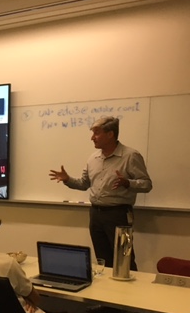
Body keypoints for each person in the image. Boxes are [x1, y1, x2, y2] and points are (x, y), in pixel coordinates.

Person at [49, 116, 152, 271]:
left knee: (124, 260)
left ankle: (131, 286)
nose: (92, 138)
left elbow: (147, 184)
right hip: (96, 214)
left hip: (118, 214)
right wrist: (67, 179)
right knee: (103, 260)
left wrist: (128, 183)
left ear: (110, 134)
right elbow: (84, 184)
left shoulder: (130, 156)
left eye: (96, 133)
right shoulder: (93, 158)